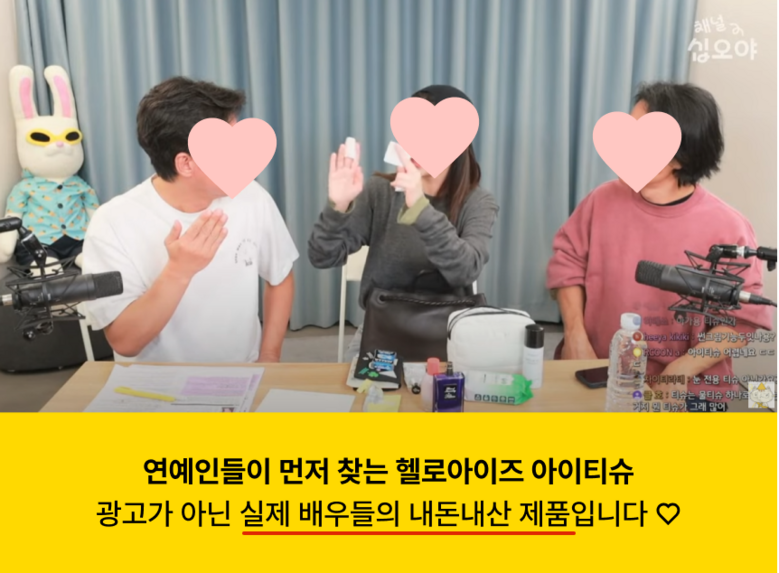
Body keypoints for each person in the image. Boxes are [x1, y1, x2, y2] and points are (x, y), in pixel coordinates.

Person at [547, 82, 773, 412]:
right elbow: (566, 265)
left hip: (688, 387)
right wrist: (575, 335)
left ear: (682, 155)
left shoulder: (728, 227)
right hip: (596, 371)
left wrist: (682, 370)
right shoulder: (601, 201)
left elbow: (744, 319)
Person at [82, 77, 298, 363]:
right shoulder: (112, 223)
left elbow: (280, 277)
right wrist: (178, 271)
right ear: (186, 163)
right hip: (155, 384)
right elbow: (125, 342)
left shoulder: (252, 198)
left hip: (241, 376)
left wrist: (269, 355)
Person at [308, 85, 498, 354]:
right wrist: (337, 207)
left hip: (448, 330)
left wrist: (420, 209)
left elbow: (465, 270)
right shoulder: (380, 191)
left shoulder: (478, 202)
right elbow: (322, 257)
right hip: (382, 327)